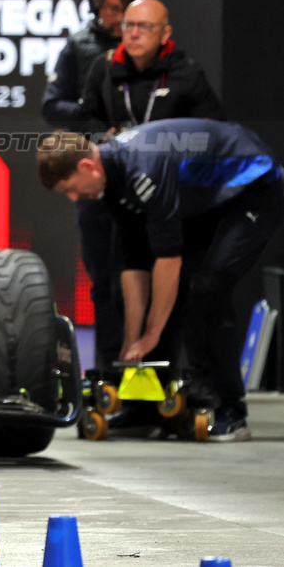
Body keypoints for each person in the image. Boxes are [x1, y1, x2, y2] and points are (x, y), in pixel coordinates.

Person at [38, 120, 283, 441]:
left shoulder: (145, 169)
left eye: (70, 188)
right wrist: (133, 341)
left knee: (207, 290)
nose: (73, 198)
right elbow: (134, 263)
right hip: (206, 197)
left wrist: (151, 334)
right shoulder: (109, 182)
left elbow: (168, 262)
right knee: (136, 287)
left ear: (87, 165)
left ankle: (231, 411)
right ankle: (144, 407)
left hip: (255, 184)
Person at [40, 0, 143, 370]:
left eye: (122, 8)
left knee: (141, 272)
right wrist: (95, 120)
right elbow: (52, 106)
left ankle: (145, 367)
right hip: (96, 176)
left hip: (141, 176)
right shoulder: (79, 46)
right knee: (103, 278)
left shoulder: (150, 50)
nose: (114, 17)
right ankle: (106, 371)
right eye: (108, 8)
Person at [76, 0, 223, 135]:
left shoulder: (187, 72)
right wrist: (103, 136)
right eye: (129, 25)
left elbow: (212, 126)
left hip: (170, 158)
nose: (134, 34)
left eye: (144, 26)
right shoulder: (105, 67)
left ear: (165, 34)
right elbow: (83, 118)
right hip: (117, 157)